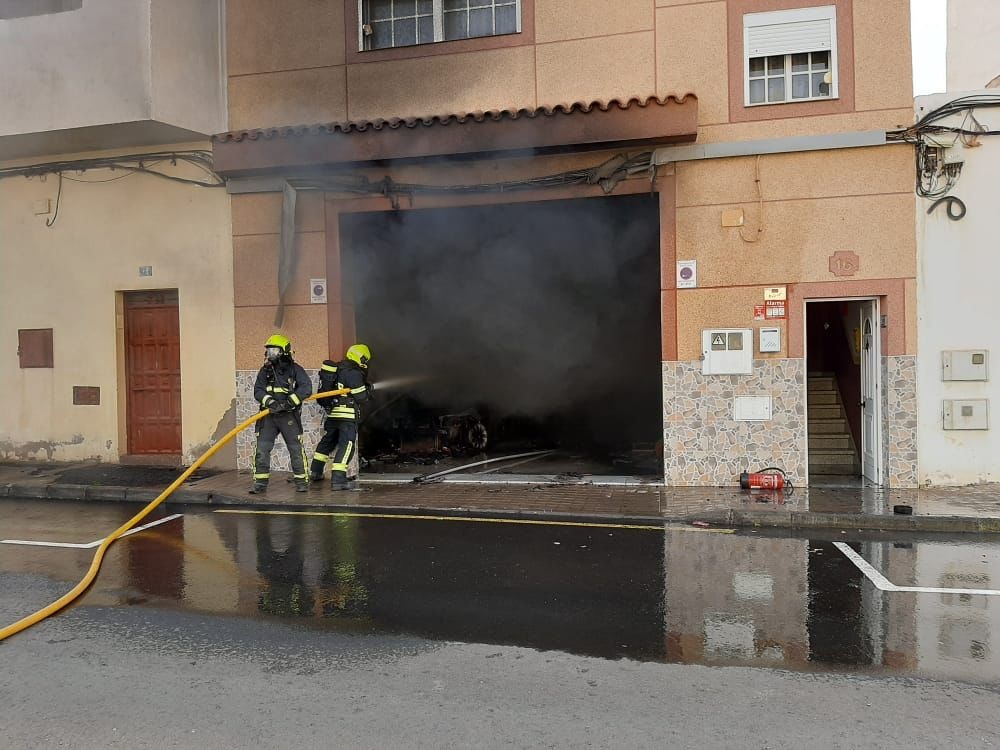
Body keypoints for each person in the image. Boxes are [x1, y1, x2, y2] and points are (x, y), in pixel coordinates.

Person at [249, 334, 312, 494]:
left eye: (274, 350)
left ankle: (302, 482)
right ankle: (260, 484)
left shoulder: (295, 370)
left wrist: (289, 402)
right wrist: (271, 403)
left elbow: (306, 387)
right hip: (269, 415)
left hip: (288, 415)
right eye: (269, 350)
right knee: (262, 450)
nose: (270, 354)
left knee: (295, 449)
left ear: (284, 351)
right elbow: (258, 390)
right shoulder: (265, 371)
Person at [309, 343, 373, 490]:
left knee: (328, 442)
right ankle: (338, 479)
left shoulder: (337, 368)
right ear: (361, 357)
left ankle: (316, 472)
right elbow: (361, 397)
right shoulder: (354, 372)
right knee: (347, 445)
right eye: (365, 360)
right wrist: (368, 390)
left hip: (333, 415)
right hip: (347, 415)